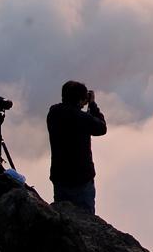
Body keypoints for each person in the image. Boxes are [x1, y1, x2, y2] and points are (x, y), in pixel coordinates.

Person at [46, 80, 107, 214]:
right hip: (81, 179)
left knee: (62, 217)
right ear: (81, 100)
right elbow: (102, 128)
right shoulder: (82, 118)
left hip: (60, 177)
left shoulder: (53, 113)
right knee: (86, 221)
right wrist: (92, 104)